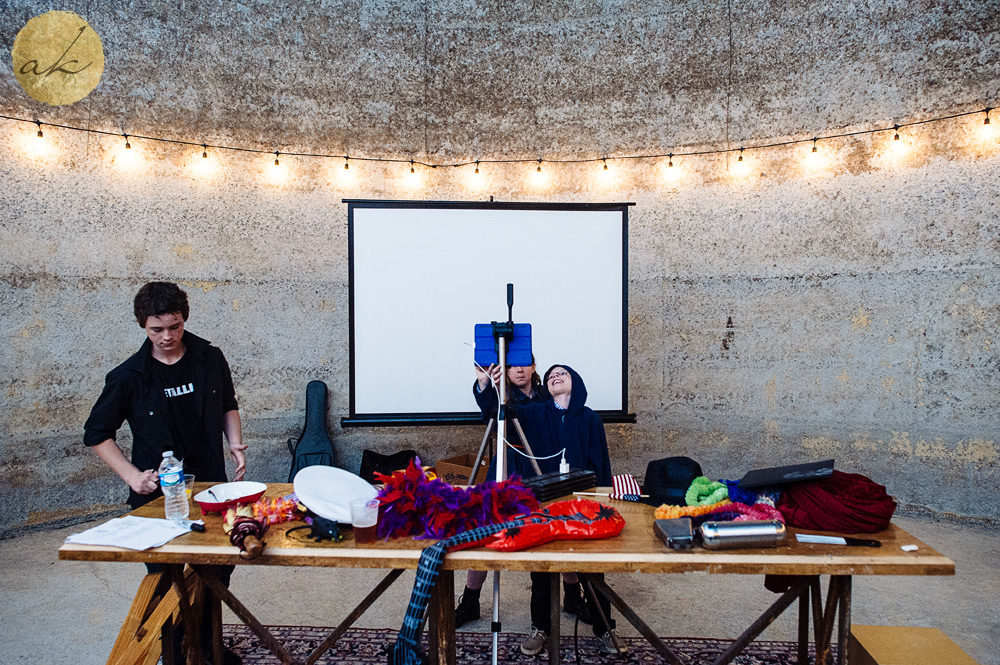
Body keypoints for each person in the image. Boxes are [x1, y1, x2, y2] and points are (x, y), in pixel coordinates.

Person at [83, 281, 247, 665]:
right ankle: (174, 654)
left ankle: (206, 649)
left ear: (184, 319)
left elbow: (228, 404)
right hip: (158, 497)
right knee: (165, 579)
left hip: (209, 487)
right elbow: (97, 433)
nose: (167, 336)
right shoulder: (128, 376)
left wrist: (235, 443)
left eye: (175, 326)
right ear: (143, 325)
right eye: (157, 329)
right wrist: (132, 477)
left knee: (217, 571)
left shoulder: (209, 358)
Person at [474, 363, 626, 655]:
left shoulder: (590, 419)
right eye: (552, 375)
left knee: (592, 568)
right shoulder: (535, 413)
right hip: (544, 503)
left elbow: (601, 463)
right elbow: (499, 415)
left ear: (575, 381)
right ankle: (540, 627)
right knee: (541, 569)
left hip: (582, 503)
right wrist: (484, 385)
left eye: (562, 373)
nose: (556, 376)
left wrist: (603, 503)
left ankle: (605, 628)